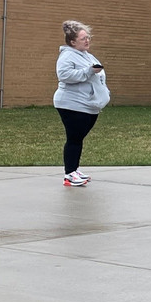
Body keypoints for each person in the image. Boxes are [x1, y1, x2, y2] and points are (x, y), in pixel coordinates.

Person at [54, 20, 110, 187]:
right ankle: (69, 175)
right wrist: (89, 71)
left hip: (87, 105)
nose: (87, 41)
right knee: (74, 138)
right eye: (83, 38)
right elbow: (64, 75)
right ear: (72, 42)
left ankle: (74, 169)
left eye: (88, 37)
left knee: (78, 139)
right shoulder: (67, 55)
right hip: (71, 104)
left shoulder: (87, 55)